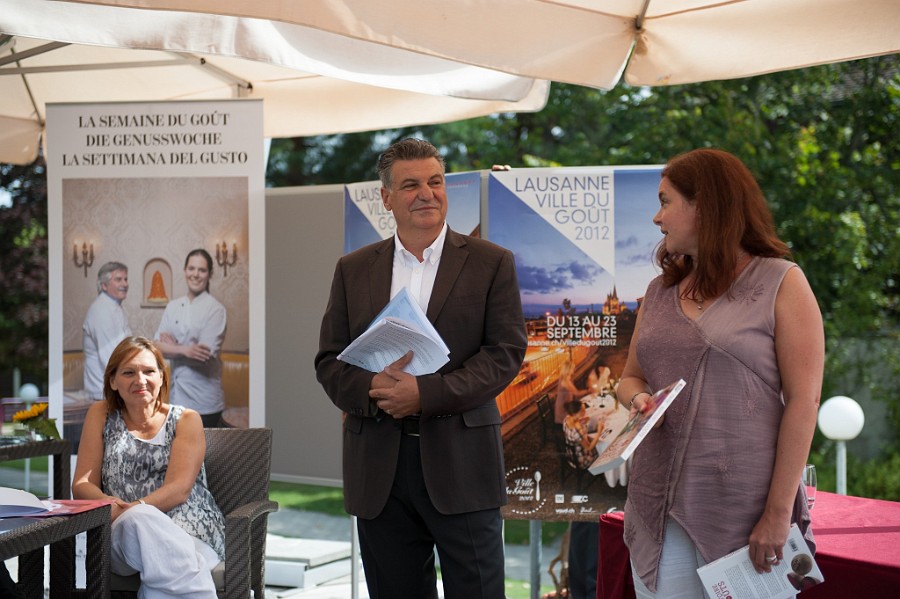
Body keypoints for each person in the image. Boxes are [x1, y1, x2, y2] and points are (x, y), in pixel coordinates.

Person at [315, 138, 527, 599]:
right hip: (379, 470)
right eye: (411, 185)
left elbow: (505, 354)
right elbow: (330, 361)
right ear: (386, 197)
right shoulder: (353, 269)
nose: (427, 194)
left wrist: (424, 394)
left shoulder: (491, 262)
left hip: (462, 463)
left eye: (435, 182)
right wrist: (375, 387)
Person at [617, 148, 824, 597]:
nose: (656, 217)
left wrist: (776, 514)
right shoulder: (658, 291)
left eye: (665, 202)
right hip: (657, 503)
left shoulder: (782, 282)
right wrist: (637, 399)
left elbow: (804, 403)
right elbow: (630, 377)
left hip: (745, 510)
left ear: (706, 206)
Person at [72, 336, 224, 598]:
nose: (140, 380)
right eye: (129, 372)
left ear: (162, 377)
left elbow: (179, 489)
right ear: (113, 381)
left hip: (191, 531)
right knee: (141, 524)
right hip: (124, 532)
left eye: (149, 371)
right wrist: (121, 510)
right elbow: (82, 485)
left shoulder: (186, 419)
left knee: (162, 558)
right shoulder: (101, 414)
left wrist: (136, 509)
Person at [155, 249, 226, 427]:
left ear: (210, 274)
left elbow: (203, 355)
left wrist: (173, 347)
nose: (195, 274)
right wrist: (186, 349)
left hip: (205, 403)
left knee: (205, 447)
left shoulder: (216, 310)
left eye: (202, 270)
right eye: (191, 268)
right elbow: (156, 347)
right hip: (176, 401)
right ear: (185, 271)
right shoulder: (172, 306)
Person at [83, 261, 131, 400]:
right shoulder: (101, 311)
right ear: (104, 285)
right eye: (118, 279)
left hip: (113, 390)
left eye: (125, 279)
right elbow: (110, 357)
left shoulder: (115, 307)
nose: (125, 284)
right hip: (102, 393)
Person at [562, 399, 601, 469]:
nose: (585, 411)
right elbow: (589, 447)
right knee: (602, 449)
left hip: (571, 454)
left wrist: (581, 420)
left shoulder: (567, 418)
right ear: (574, 414)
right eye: (582, 410)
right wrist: (599, 432)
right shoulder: (575, 432)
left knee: (592, 424)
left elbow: (574, 422)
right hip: (581, 460)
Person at [555, 360, 590, 424]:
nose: (574, 369)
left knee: (583, 411)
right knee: (582, 414)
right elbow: (577, 393)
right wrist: (589, 390)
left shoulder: (566, 378)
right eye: (572, 368)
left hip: (567, 405)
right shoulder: (565, 381)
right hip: (564, 409)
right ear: (568, 369)